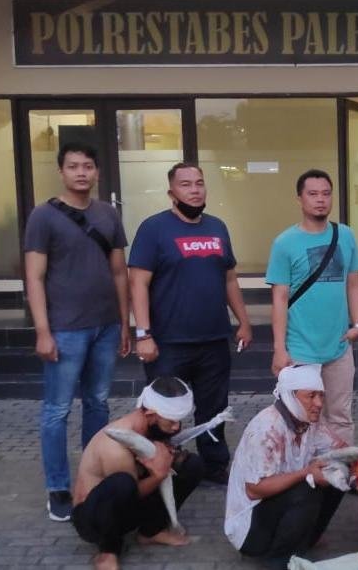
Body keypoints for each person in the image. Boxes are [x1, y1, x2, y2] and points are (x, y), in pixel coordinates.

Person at [24, 142, 130, 522]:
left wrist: (125, 322)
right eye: (73, 166)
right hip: (65, 330)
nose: (81, 172)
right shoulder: (43, 216)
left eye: (87, 166)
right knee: (57, 410)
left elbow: (119, 272)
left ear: (97, 172)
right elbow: (34, 277)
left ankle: (93, 474)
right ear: (61, 171)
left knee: (98, 403)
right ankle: (58, 487)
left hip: (105, 326)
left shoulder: (108, 214)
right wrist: (42, 331)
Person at [128, 162, 253, 485]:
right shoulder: (153, 229)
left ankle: (214, 465)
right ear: (171, 192)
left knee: (214, 408)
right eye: (186, 184)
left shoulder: (217, 227)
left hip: (214, 339)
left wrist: (243, 321)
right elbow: (138, 283)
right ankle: (159, 464)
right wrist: (143, 333)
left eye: (199, 183)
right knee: (164, 409)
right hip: (168, 342)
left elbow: (229, 279)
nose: (194, 190)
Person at [265, 169, 358, 445]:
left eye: (326, 193)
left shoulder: (345, 235)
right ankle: (304, 467)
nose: (320, 200)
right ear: (299, 199)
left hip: (338, 347)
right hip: (300, 350)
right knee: (301, 416)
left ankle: (340, 465)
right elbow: (279, 298)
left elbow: (354, 283)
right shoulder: (284, 243)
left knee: (340, 416)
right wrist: (279, 349)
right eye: (312, 194)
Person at [72, 377, 204, 570]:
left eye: (178, 421)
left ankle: (151, 532)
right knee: (122, 483)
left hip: (126, 503)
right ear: (150, 414)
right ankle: (108, 551)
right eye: (171, 422)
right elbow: (126, 495)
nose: (177, 427)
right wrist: (158, 474)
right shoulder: (115, 446)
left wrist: (168, 459)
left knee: (192, 465)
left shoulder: (151, 428)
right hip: (93, 517)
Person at [225, 365, 346, 569]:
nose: (318, 403)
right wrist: (306, 473)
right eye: (311, 396)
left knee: (338, 474)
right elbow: (254, 490)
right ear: (291, 396)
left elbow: (338, 448)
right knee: (308, 488)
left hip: (274, 508)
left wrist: (352, 461)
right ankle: (279, 561)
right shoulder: (267, 428)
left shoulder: (308, 420)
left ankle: (307, 539)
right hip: (249, 531)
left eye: (321, 396)